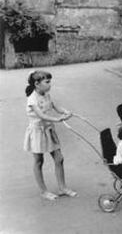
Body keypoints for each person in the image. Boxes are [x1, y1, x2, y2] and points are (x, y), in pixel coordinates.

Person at [24, 70, 77, 201]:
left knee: (59, 158)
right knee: (38, 161)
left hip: (49, 130)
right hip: (37, 132)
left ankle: (62, 187)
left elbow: (55, 106)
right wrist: (58, 119)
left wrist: (65, 111)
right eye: (47, 82)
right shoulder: (32, 99)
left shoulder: (46, 95)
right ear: (37, 84)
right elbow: (41, 115)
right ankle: (43, 191)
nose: (50, 84)